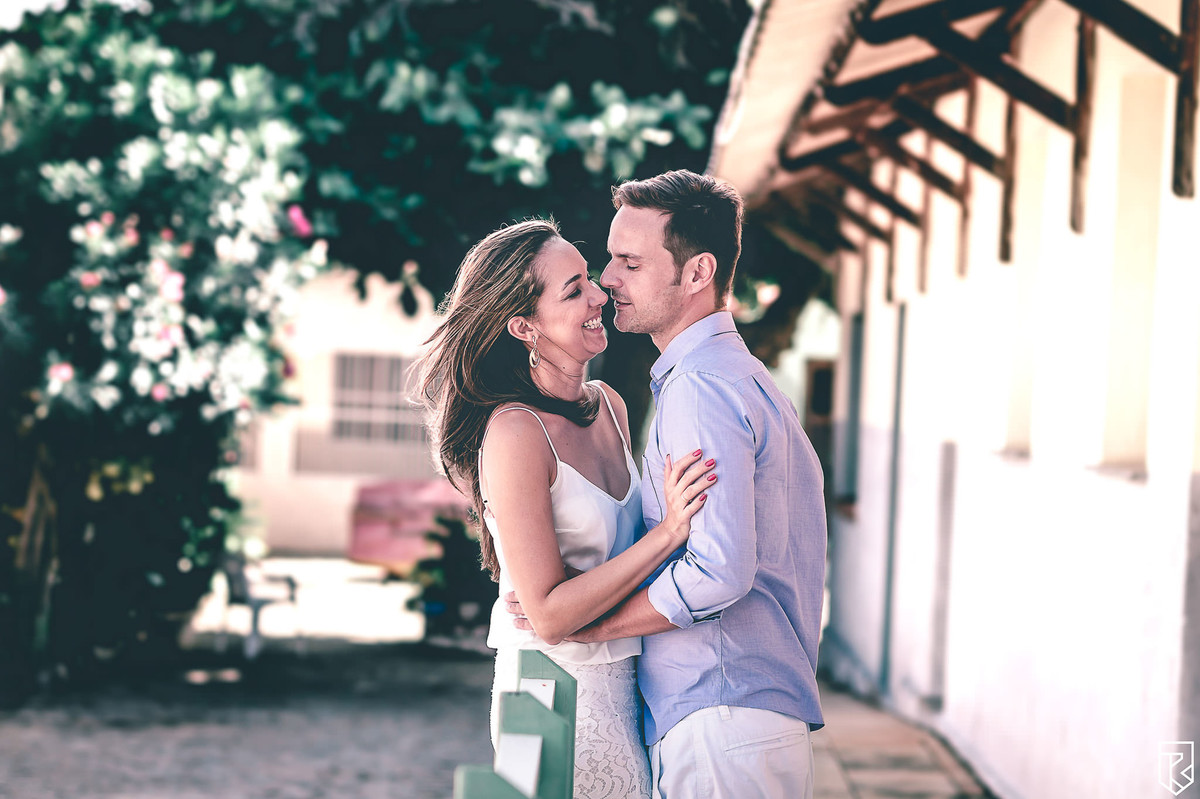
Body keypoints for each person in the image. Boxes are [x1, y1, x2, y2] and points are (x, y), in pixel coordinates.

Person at [511, 170, 827, 798]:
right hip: (739, 715)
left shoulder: (701, 389)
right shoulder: (740, 376)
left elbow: (719, 571)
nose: (608, 279)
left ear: (697, 272)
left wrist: (593, 626)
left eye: (629, 261)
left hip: (723, 712)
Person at [411, 218, 717, 799]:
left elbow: (596, 579)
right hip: (557, 692)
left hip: (633, 682)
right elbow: (549, 617)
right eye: (574, 290)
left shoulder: (610, 407)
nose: (600, 293)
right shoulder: (514, 433)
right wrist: (670, 533)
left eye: (588, 280)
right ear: (524, 326)